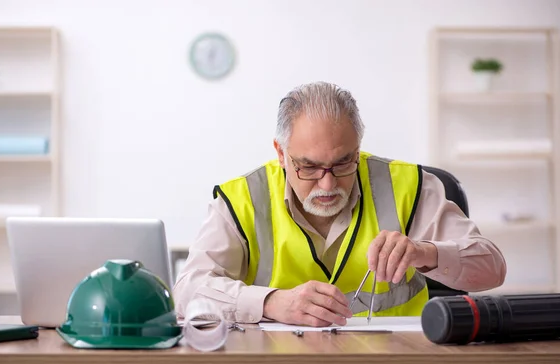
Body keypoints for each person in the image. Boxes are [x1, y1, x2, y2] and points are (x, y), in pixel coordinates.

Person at [173, 81, 506, 327]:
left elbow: (492, 268)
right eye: (309, 167)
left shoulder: (410, 185)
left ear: (357, 149)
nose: (328, 183)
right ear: (280, 153)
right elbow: (188, 292)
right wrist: (272, 302)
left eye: (344, 163)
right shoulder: (242, 198)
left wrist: (425, 252)